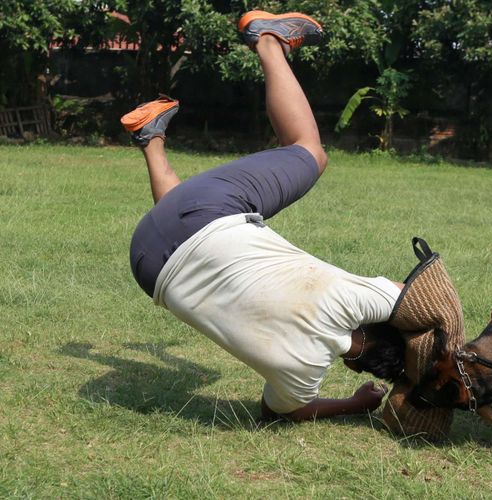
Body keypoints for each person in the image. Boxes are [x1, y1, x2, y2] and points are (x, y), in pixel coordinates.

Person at [121, 11, 406, 422]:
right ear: (352, 365)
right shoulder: (302, 377)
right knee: (185, 223)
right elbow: (284, 413)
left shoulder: (352, 302)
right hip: (149, 261)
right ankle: (151, 139)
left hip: (207, 214)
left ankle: (269, 39)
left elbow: (418, 294)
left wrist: (438, 342)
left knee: (309, 151)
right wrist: (355, 404)